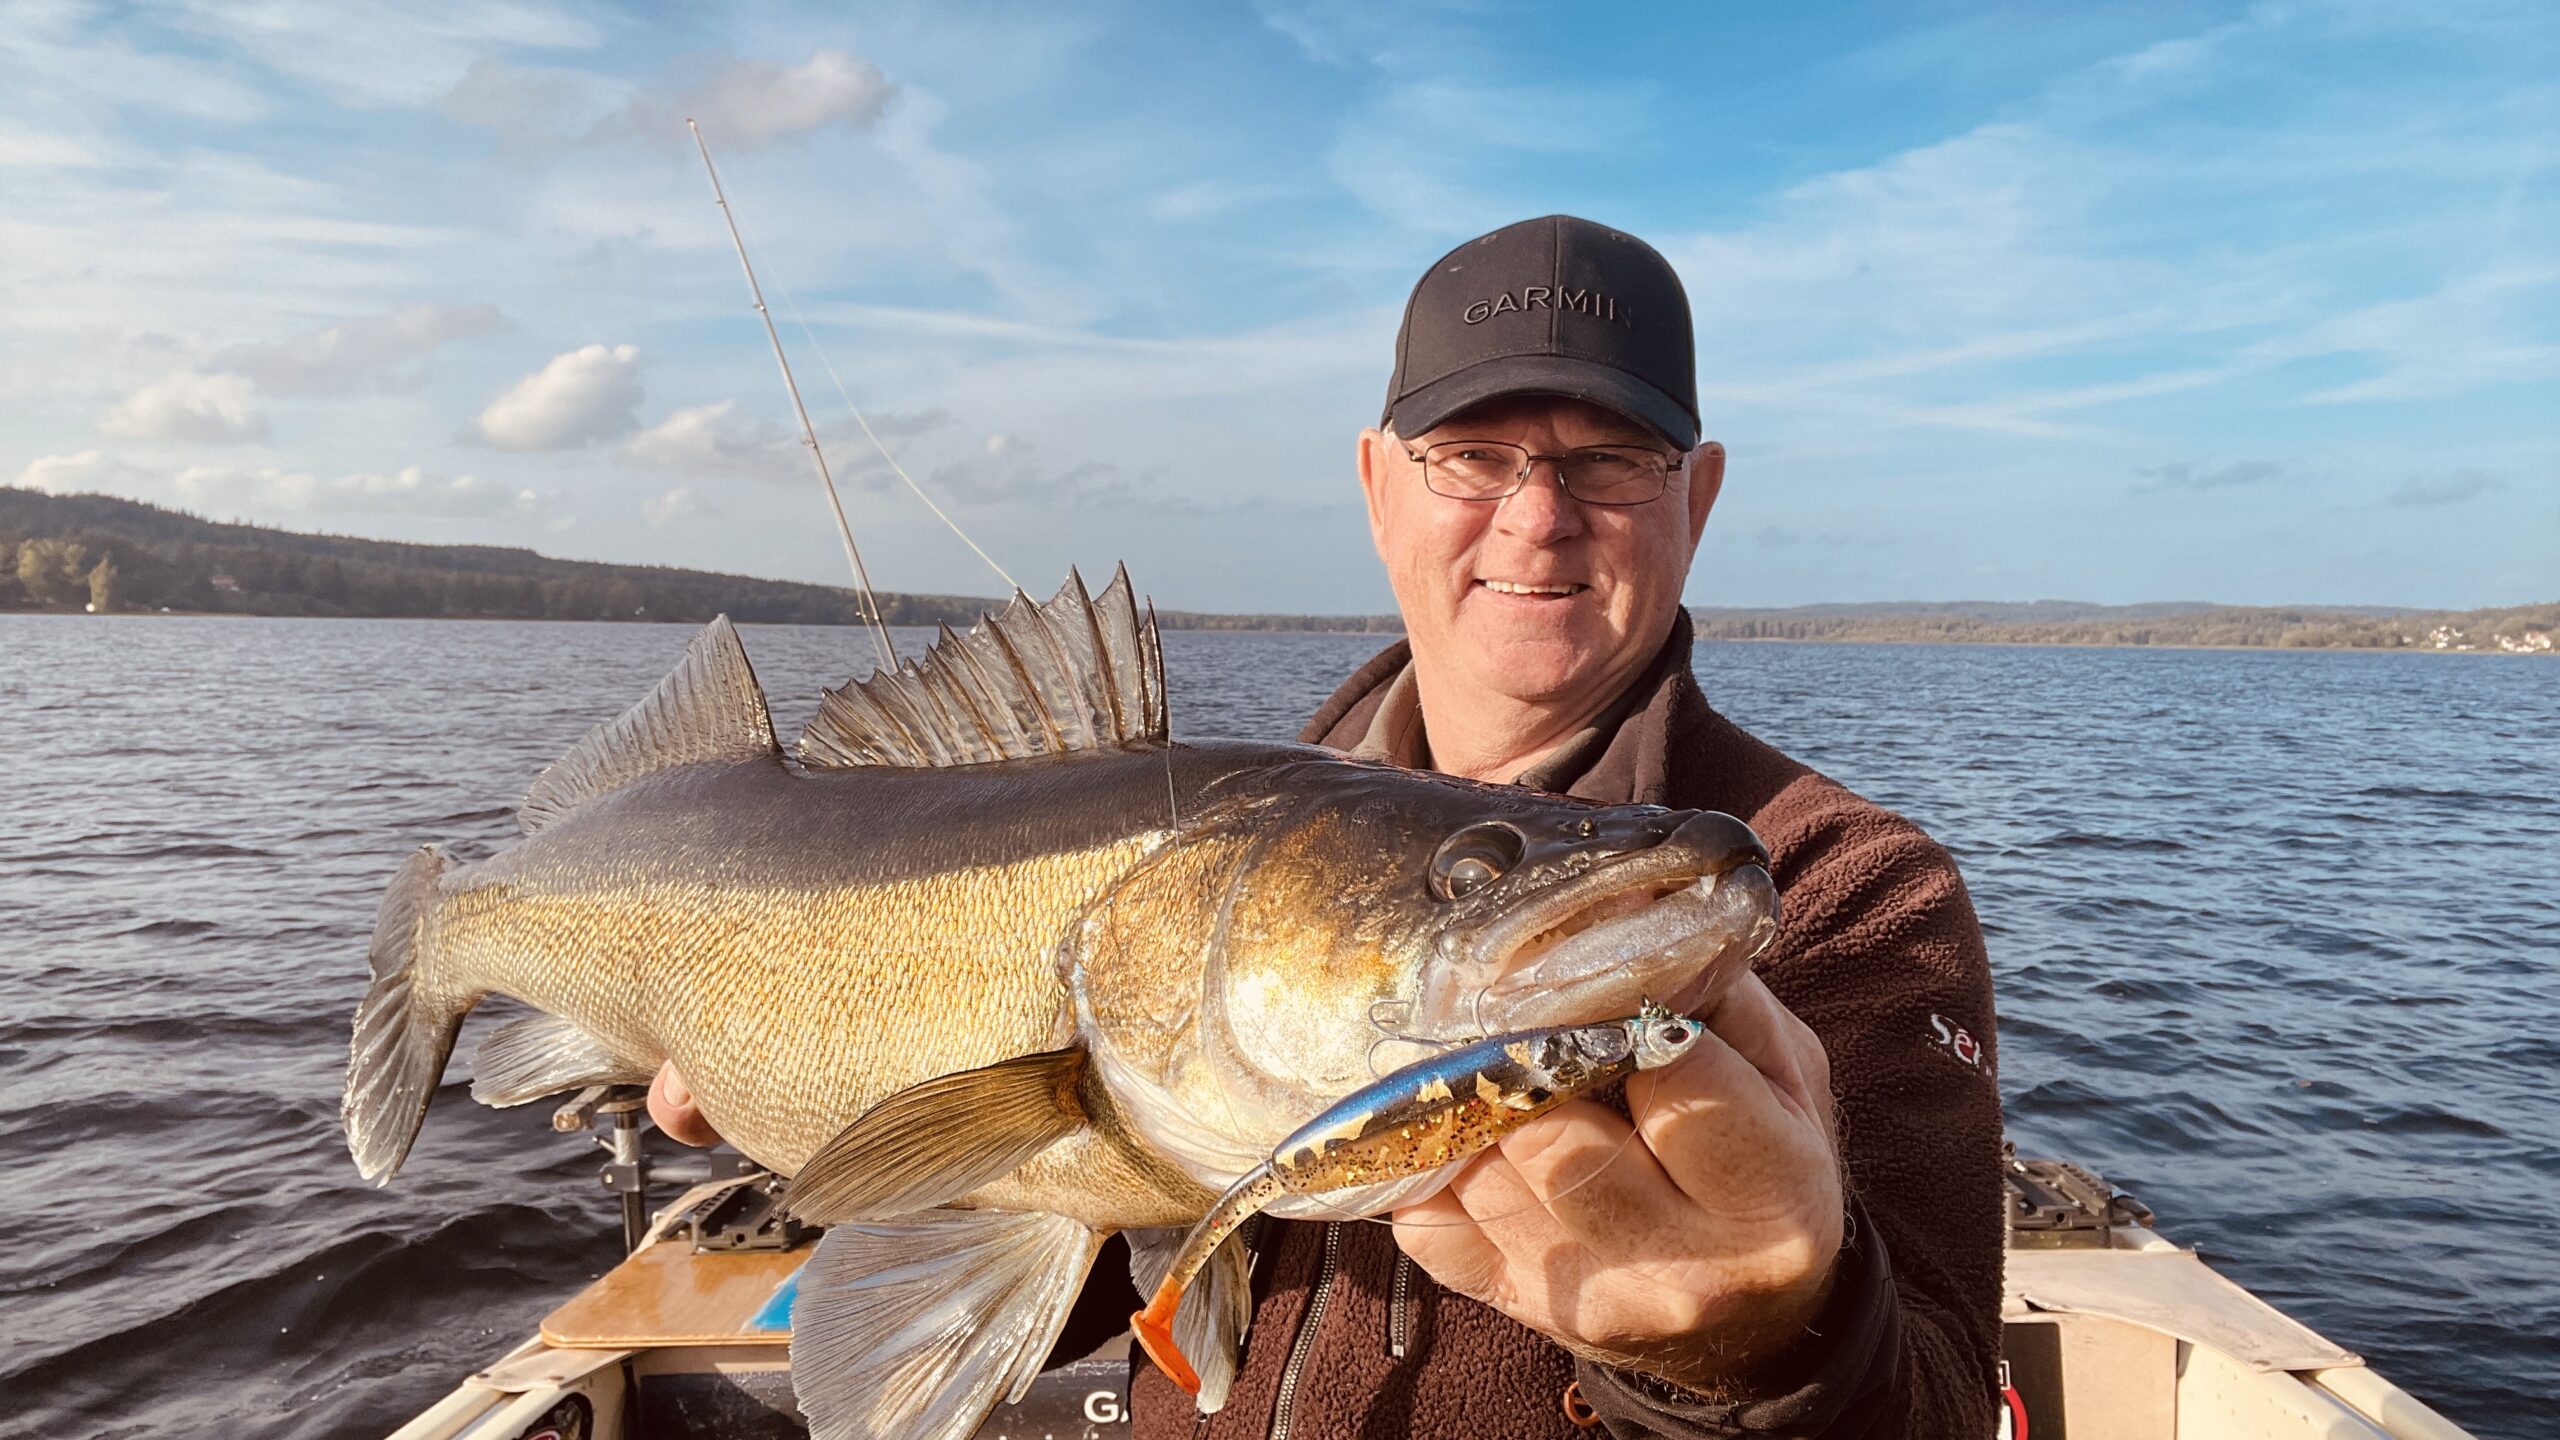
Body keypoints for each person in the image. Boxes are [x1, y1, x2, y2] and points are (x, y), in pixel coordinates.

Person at [653, 215, 2005, 1438]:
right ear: (1376, 488)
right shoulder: (1224, 841)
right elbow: (1071, 1236)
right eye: (1473, 456)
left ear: (1695, 501)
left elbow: (1946, 1407)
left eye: (1611, 463)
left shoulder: (1844, 889)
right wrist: (812, 1093)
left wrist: (1774, 1355)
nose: (1538, 520)